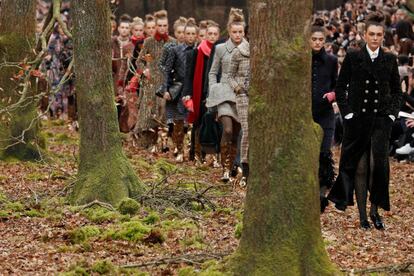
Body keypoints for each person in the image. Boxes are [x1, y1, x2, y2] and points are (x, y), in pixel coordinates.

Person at [328, 12, 402, 230]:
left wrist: (390, 115)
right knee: (358, 168)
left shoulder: (389, 59)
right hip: (357, 121)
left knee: (377, 166)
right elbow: (340, 88)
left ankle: (374, 211)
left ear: (383, 37)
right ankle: (362, 216)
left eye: (379, 35)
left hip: (380, 122)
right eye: (372, 34)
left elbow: (397, 91)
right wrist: (348, 114)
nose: (375, 38)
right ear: (364, 35)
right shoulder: (353, 57)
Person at [206, 8, 248, 182]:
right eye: (234, 32)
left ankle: (232, 167)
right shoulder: (221, 48)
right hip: (223, 93)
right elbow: (212, 72)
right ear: (229, 31)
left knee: (238, 132)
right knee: (228, 130)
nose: (237, 35)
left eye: (240, 32)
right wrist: (213, 90)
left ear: (244, 32)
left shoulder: (249, 49)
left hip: (241, 94)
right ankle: (225, 168)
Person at [134, 10, 175, 151]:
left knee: (163, 114)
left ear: (168, 26)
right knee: (148, 114)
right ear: (156, 26)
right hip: (151, 85)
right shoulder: (149, 42)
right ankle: (146, 144)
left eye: (165, 25)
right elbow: (139, 61)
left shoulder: (172, 43)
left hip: (166, 85)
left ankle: (162, 144)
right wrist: (145, 70)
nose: (162, 28)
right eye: (160, 25)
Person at [310, 21, 338, 212]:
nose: (317, 43)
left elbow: (338, 84)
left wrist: (331, 95)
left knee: (324, 152)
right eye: (314, 39)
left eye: (321, 39)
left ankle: (321, 195)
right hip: (304, 113)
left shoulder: (331, 60)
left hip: (325, 113)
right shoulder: (301, 60)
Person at [182, 20, 220, 164]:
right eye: (209, 34)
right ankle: (197, 155)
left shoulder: (220, 51)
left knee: (215, 124)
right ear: (203, 36)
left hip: (215, 93)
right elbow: (188, 76)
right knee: (198, 123)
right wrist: (187, 95)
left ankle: (212, 156)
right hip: (199, 95)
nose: (211, 36)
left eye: (214, 34)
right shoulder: (195, 53)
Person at [162, 18, 198, 162]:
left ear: (196, 35)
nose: (189, 36)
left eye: (192, 34)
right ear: (183, 34)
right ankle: (178, 148)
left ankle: (192, 151)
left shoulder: (199, 50)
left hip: (194, 89)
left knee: (190, 122)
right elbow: (167, 70)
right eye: (187, 33)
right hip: (178, 89)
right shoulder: (175, 50)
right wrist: (165, 89)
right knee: (178, 120)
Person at [228, 30, 250, 187]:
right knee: (247, 129)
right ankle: (244, 167)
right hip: (242, 96)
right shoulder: (239, 52)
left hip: (260, 97)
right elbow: (230, 75)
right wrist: (238, 88)